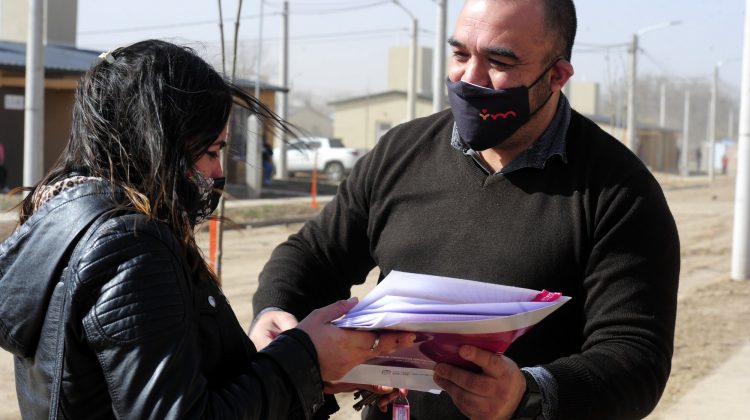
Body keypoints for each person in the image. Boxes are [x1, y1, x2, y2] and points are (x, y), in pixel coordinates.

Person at [250, 1, 680, 419]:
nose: (469, 79)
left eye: (499, 61)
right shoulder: (401, 153)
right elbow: (311, 256)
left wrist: (528, 395)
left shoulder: (618, 191)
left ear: (556, 76)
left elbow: (635, 356)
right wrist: (277, 313)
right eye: (460, 54)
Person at [0, 40, 415, 419]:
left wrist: (300, 367)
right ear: (160, 143)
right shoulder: (130, 247)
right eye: (211, 151)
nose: (218, 172)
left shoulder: (64, 220)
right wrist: (305, 356)